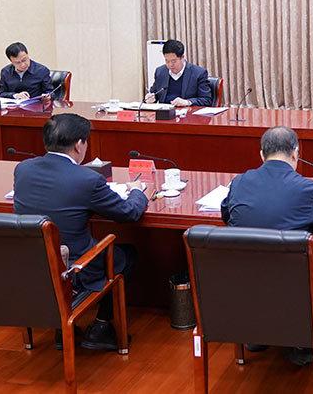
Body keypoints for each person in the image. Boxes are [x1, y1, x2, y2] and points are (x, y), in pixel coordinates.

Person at [13, 113, 148, 350]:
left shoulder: (23, 169)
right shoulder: (87, 179)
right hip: (73, 269)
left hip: (30, 265)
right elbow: (129, 213)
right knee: (126, 255)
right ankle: (100, 328)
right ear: (79, 144)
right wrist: (137, 191)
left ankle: (61, 329)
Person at [221, 126, 313, 365]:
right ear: (295, 153)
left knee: (263, 275)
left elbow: (227, 216)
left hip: (245, 282)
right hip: (293, 287)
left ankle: (256, 333)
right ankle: (303, 343)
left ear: (262, 155)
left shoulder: (239, 182)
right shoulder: (309, 189)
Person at [145, 39, 212, 107]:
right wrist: (149, 98)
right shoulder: (160, 72)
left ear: (182, 57)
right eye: (167, 61)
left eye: (173, 61)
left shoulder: (198, 73)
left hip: (187, 112)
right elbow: (154, 94)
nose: (170, 65)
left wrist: (187, 102)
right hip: (165, 112)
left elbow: (206, 100)